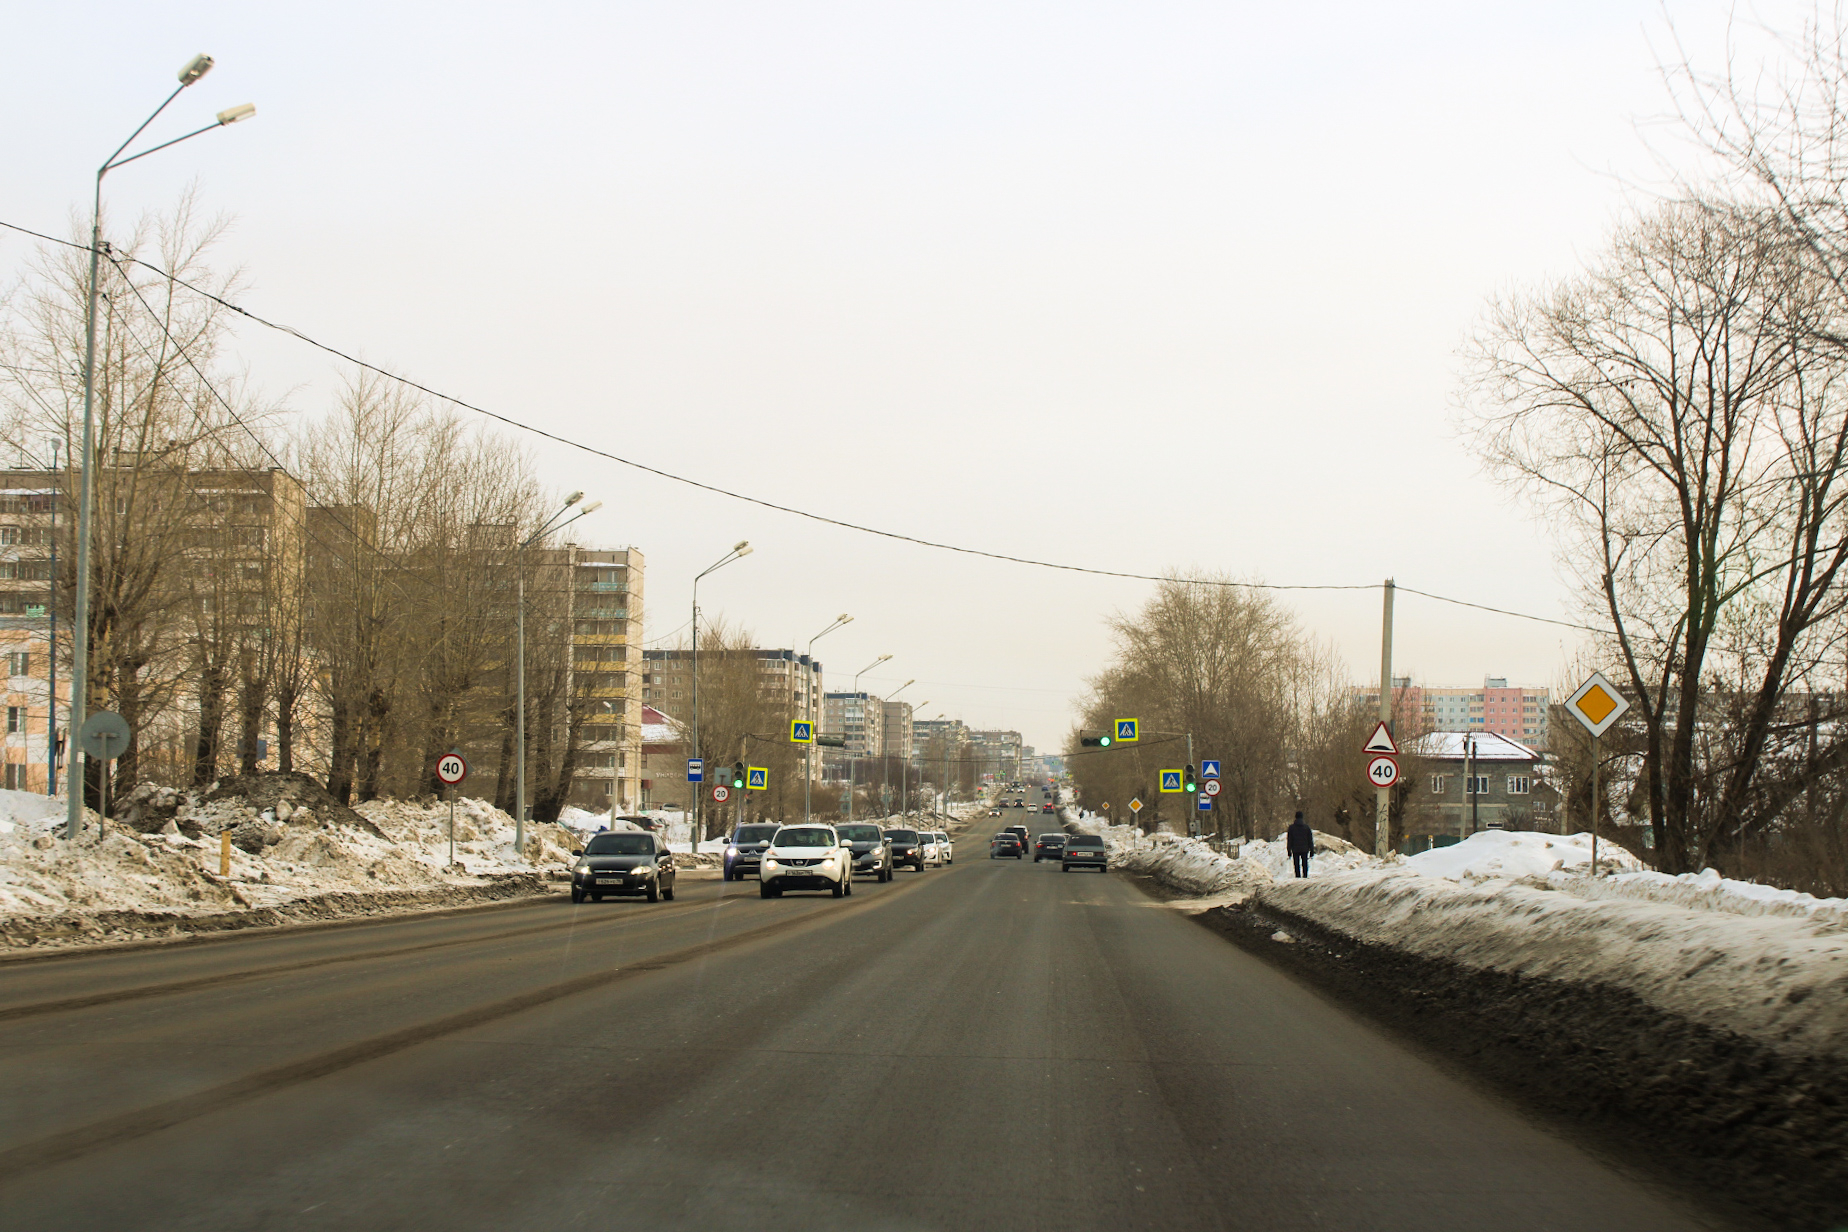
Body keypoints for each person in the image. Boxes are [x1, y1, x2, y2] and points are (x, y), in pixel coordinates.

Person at [1286, 811, 1314, 878]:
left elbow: (1289, 840)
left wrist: (1289, 850)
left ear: (1295, 817)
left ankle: (1297, 876)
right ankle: (1305, 875)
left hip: (1295, 849)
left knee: (1296, 864)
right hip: (1305, 848)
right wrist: (1312, 850)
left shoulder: (1291, 828)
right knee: (1305, 863)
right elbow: (1310, 839)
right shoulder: (1306, 827)